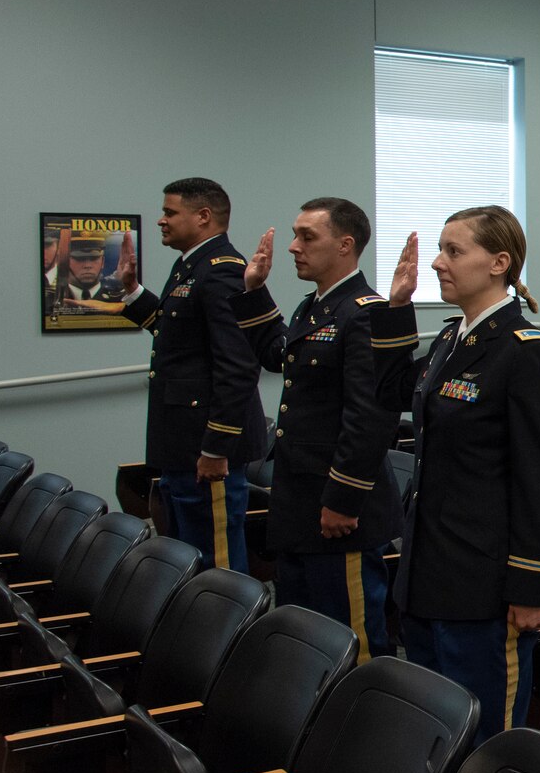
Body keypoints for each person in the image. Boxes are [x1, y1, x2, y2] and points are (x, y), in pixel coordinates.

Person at [371, 207, 540, 746]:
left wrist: (533, 586)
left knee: (487, 741)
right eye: (440, 249)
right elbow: (390, 400)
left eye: (454, 251)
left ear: (499, 263)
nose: (437, 262)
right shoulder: (450, 341)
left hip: (485, 587)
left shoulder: (527, 353)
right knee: (437, 730)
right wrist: (395, 310)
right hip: (430, 573)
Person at [231, 198, 403, 659]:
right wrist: (254, 291)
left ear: (345, 245)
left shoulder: (365, 311)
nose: (292, 247)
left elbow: (370, 416)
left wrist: (343, 499)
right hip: (302, 498)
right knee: (305, 634)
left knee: (350, 638)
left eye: (308, 237)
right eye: (295, 234)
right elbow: (278, 355)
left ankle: (362, 725)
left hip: (338, 507)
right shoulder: (316, 306)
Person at [115, 178, 268, 572]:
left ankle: (230, 634)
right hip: (183, 446)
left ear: (203, 216)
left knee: (217, 566)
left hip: (206, 449)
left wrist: (216, 447)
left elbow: (238, 364)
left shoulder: (221, 271)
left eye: (169, 212)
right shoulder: (192, 266)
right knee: (188, 561)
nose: (161, 221)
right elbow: (179, 336)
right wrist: (133, 292)